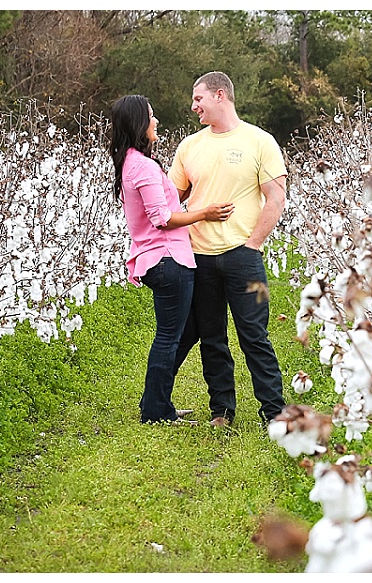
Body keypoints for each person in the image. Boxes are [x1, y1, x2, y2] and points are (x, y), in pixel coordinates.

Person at [169, 71, 287, 428]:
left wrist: (253, 245)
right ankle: (222, 410)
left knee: (255, 335)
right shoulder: (189, 147)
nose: (193, 107)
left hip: (245, 258)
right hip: (199, 259)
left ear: (220, 95)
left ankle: (274, 412)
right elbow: (171, 199)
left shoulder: (260, 141)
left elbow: (276, 196)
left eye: (198, 99)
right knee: (212, 336)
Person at [109, 94, 229, 426]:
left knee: (187, 330)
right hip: (167, 260)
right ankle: (156, 412)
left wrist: (190, 190)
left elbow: (163, 201)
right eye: (151, 116)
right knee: (169, 336)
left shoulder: (132, 163)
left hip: (163, 260)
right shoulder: (143, 166)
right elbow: (162, 218)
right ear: (138, 124)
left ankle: (155, 400)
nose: (156, 121)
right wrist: (205, 213)